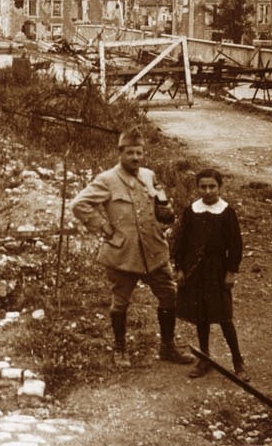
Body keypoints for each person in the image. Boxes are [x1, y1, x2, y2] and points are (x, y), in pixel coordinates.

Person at [71, 126, 194, 368]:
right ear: (120, 152)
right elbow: (79, 204)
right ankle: (120, 349)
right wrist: (104, 228)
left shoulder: (149, 175)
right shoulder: (106, 180)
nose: (135, 158)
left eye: (139, 153)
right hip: (123, 253)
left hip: (154, 251)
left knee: (169, 295)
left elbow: (160, 206)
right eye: (130, 153)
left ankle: (167, 347)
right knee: (121, 302)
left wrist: (165, 215)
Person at [173, 168, 248, 380]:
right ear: (197, 188)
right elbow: (181, 242)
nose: (207, 191)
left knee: (224, 316)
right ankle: (204, 358)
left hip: (217, 272)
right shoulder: (191, 212)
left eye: (212, 186)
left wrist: (231, 272)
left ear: (219, 187)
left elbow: (235, 246)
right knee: (201, 317)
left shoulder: (226, 212)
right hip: (195, 272)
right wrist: (179, 268)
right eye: (203, 187)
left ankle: (238, 361)